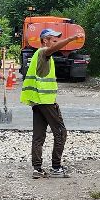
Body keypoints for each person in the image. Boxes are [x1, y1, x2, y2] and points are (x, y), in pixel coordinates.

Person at [20, 27, 72, 178]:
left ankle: (37, 169)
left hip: (37, 101)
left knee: (38, 135)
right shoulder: (43, 52)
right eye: (53, 40)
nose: (56, 43)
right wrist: (70, 39)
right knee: (60, 133)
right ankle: (56, 167)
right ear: (45, 41)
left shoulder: (39, 55)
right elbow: (52, 49)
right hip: (46, 101)